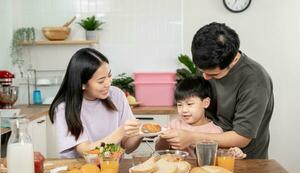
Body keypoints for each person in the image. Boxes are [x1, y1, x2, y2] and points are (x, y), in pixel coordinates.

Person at [160, 22, 274, 159]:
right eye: (202, 71)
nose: (205, 77)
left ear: (232, 61)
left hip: (244, 160)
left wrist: (191, 137)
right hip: (207, 156)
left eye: (213, 75)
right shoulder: (209, 63)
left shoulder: (255, 80)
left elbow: (241, 138)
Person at [49, 48, 142, 158]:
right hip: (78, 171)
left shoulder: (116, 95)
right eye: (101, 81)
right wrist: (121, 132)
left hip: (110, 168)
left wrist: (141, 133)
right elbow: (86, 152)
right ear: (82, 84)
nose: (108, 83)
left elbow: (126, 146)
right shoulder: (64, 108)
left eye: (109, 76)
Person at [156, 76, 246, 159]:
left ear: (205, 103)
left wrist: (233, 152)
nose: (183, 110)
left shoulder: (215, 131)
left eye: (189, 104)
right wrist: (164, 138)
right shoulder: (174, 125)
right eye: (179, 105)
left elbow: (220, 156)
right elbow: (159, 151)